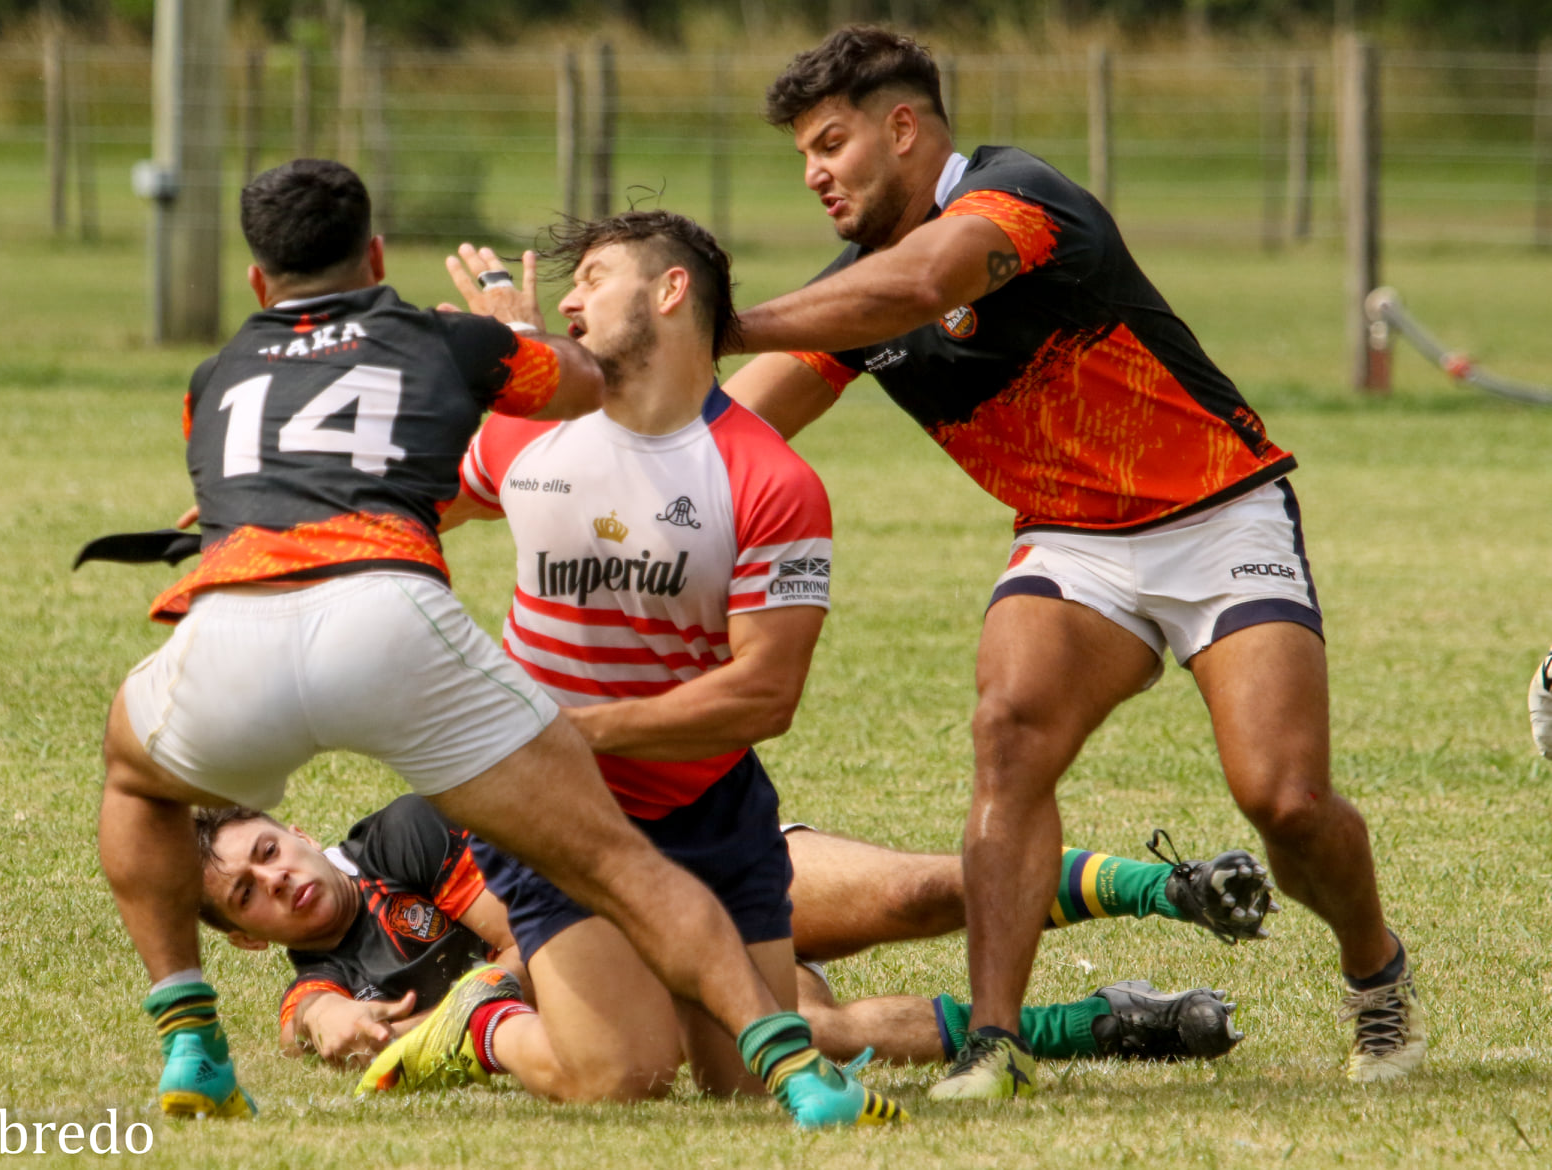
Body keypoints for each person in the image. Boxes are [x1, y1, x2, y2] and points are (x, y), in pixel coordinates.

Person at [354, 210, 1258, 1108]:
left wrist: (565, 728)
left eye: (594, 278)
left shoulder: (768, 481)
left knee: (745, 1082)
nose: (573, 302)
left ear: (672, 292)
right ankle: (478, 1026)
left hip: (706, 811)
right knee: (622, 1077)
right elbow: (395, 510)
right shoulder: (523, 436)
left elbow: (763, 697)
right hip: (561, 815)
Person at [88, 159, 882, 1129]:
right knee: (622, 864)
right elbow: (585, 385)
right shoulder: (442, 340)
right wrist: (512, 327)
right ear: (375, 257)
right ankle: (796, 1070)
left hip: (233, 625)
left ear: (258, 285)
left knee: (134, 779)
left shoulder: (212, 377)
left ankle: (192, 1041)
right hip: (385, 618)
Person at [719, 27, 1425, 1098]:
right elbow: (732, 431)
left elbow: (922, 282)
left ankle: (1375, 971)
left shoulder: (1015, 201)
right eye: (804, 156)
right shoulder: (856, 293)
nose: (815, 174)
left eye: (829, 144)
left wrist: (720, 319)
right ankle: (992, 1045)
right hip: (1072, 542)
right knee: (1007, 732)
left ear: (902, 127)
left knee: (1284, 800)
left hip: (1218, 513)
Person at [192, 799, 1264, 1068]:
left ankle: (1166, 888)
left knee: (911, 895)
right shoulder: (317, 972)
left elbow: (519, 944)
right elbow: (313, 1019)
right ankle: (1107, 1024)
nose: (272, 882)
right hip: (670, 970)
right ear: (241, 938)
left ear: (292, 825)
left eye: (265, 850)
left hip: (694, 861)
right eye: (243, 894)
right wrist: (328, 1027)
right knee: (820, 1032)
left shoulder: (401, 838)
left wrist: (472, 1003)